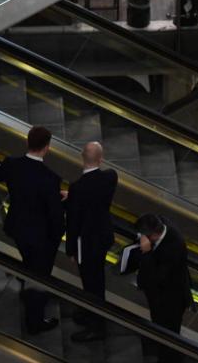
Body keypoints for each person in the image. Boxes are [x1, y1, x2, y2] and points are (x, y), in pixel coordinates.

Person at [0, 126, 65, 334]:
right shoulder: (50, 179)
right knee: (39, 277)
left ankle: (27, 290)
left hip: (18, 229)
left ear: (28, 142)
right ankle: (35, 322)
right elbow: (55, 216)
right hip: (41, 237)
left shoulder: (12, 164)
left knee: (29, 264)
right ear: (46, 148)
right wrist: (57, 238)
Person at [65, 141, 118, 342]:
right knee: (97, 281)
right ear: (100, 159)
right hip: (102, 238)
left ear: (82, 157)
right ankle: (92, 314)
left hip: (86, 244)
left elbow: (73, 221)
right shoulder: (110, 177)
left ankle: (97, 326)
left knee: (91, 284)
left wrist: (71, 249)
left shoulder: (77, 188)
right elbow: (94, 196)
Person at [129, 213, 192, 362]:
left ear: (153, 236)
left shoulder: (175, 246)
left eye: (144, 236)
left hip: (171, 298)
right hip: (156, 295)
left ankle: (169, 358)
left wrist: (147, 253)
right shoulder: (160, 222)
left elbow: (156, 277)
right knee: (157, 320)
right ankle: (158, 341)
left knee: (169, 332)